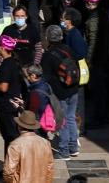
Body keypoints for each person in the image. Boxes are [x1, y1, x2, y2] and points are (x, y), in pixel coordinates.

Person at [39, 24, 81, 159]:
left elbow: (45, 76)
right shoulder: (68, 49)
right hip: (73, 89)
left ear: (48, 38)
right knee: (70, 117)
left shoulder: (48, 55)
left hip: (60, 93)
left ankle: (64, 150)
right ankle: (73, 147)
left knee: (61, 121)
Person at [1, 111, 55, 183]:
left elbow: (8, 171)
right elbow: (50, 168)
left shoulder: (15, 145)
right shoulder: (45, 143)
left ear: (19, 126)